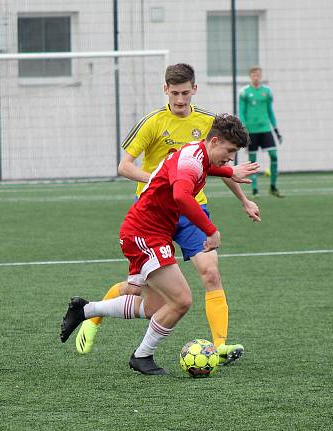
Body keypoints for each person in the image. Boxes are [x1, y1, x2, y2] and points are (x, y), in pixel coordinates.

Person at [74, 64, 260, 366]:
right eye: (175, 93)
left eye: (186, 92)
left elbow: (217, 164)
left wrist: (243, 200)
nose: (181, 99)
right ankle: (93, 317)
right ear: (165, 90)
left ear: (194, 90)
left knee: (210, 272)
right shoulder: (153, 122)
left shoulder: (211, 125)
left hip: (191, 208)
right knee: (148, 294)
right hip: (155, 212)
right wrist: (161, 180)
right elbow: (125, 167)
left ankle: (219, 346)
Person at [239, 65, 283, 197]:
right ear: (250, 76)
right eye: (254, 75)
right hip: (251, 130)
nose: (256, 77)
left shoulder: (267, 92)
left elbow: (270, 111)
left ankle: (273, 187)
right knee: (253, 160)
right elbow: (241, 111)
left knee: (274, 155)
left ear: (261, 76)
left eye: (258, 75)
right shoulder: (244, 92)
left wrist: (276, 130)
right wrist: (244, 128)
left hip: (265, 129)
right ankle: (254, 189)